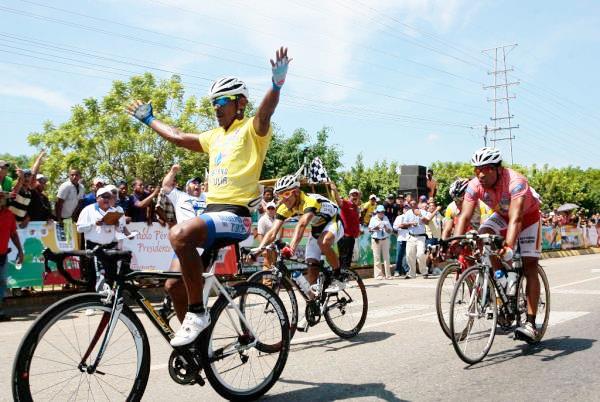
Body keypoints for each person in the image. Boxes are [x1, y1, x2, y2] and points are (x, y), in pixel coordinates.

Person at [127, 46, 290, 347]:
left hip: (236, 217)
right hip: (211, 217)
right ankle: (199, 348)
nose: (217, 107)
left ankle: (198, 313)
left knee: (179, 234)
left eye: (223, 101)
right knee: (173, 284)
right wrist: (149, 120)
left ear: (240, 103)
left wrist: (276, 84)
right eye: (214, 102)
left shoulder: (252, 130)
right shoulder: (213, 137)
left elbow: (266, 111)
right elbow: (177, 136)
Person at [454, 147, 542, 341]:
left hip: (527, 218)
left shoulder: (516, 182)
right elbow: (464, 215)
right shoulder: (474, 185)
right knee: (483, 234)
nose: (480, 174)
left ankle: (531, 323)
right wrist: (455, 241)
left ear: (498, 169)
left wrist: (508, 246)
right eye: (476, 169)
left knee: (530, 265)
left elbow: (517, 217)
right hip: (502, 216)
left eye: (485, 169)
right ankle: (502, 276)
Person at [258, 174, 345, 292]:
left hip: (333, 221)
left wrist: (291, 248)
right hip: (317, 228)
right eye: (279, 195)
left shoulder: (310, 201)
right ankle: (315, 305)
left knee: (323, 242)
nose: (283, 199)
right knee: (311, 266)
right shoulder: (284, 207)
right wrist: (258, 250)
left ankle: (339, 277)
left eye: (286, 194)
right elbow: (272, 232)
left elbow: (302, 224)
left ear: (297, 192)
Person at [160, 164, 207, 322]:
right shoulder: (179, 196)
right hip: (186, 244)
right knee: (172, 286)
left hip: (205, 245)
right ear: (186, 187)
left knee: (193, 287)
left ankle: (198, 325)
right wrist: (173, 171)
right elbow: (165, 185)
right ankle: (187, 329)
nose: (197, 185)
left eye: (199, 183)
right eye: (193, 183)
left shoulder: (208, 197)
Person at [76, 187, 123, 292]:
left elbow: (119, 230)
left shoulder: (114, 211)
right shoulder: (88, 210)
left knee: (110, 275)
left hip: (110, 248)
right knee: (93, 276)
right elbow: (79, 229)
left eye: (109, 197)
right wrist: (93, 224)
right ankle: (91, 303)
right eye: (104, 197)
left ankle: (108, 302)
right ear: (97, 198)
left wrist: (117, 224)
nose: (107, 199)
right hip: (94, 248)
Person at [0, 191, 24, 321]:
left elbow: (13, 234)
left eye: (2, 196)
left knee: (2, 282)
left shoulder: (9, 214)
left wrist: (20, 251)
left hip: (2, 255)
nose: (0, 199)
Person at [330, 183, 361, 269]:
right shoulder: (346, 203)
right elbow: (338, 201)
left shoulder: (356, 207)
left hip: (352, 237)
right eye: (353, 195)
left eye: (356, 195)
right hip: (344, 237)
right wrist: (335, 190)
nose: (355, 197)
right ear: (349, 196)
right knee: (343, 258)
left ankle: (345, 277)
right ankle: (341, 277)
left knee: (348, 259)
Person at [402, 200, 433, 278]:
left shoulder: (422, 211)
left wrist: (420, 215)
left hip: (421, 237)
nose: (413, 205)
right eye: (411, 204)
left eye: (414, 203)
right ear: (409, 205)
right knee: (409, 255)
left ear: (417, 204)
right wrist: (411, 223)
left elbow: (427, 222)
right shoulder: (408, 213)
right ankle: (412, 273)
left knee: (420, 254)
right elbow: (403, 224)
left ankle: (424, 271)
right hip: (411, 236)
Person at [368, 205, 393, 279]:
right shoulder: (373, 218)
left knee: (386, 257)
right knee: (377, 258)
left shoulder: (386, 218)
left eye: (383, 212)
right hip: (376, 240)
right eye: (380, 212)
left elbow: (390, 230)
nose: (382, 213)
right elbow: (369, 229)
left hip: (385, 239)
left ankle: (388, 275)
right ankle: (378, 275)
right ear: (377, 212)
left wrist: (386, 227)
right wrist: (376, 228)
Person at [392, 204, 410, 277]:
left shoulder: (411, 218)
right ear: (403, 210)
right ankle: (397, 270)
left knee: (408, 255)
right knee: (399, 255)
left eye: (408, 209)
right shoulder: (399, 217)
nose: (406, 210)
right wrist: (401, 226)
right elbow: (395, 227)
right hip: (401, 238)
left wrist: (405, 225)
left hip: (409, 238)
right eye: (405, 209)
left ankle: (407, 271)